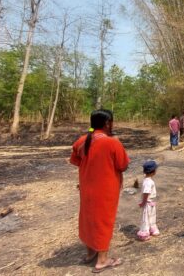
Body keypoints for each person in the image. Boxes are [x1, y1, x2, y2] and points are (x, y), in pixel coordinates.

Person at [70, 109, 129, 273]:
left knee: (88, 220)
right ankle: (102, 260)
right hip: (106, 190)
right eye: (112, 122)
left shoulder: (81, 141)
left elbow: (76, 161)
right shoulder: (112, 142)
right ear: (107, 123)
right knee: (104, 222)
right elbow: (123, 165)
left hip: (86, 188)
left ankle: (90, 254)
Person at [136, 160, 160, 241]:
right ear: (153, 172)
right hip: (148, 203)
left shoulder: (147, 180)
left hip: (151, 203)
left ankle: (152, 229)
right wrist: (143, 202)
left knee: (152, 217)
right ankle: (144, 234)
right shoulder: (148, 182)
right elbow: (146, 192)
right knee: (145, 218)